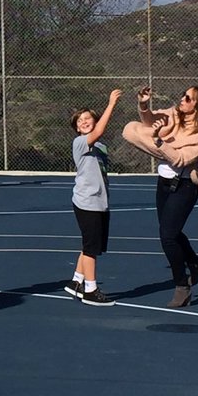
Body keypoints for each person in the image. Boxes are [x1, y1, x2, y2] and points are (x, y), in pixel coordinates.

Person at [122, 85, 198, 307]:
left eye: (188, 98)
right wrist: (144, 105)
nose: (182, 99)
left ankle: (182, 286)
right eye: (183, 95)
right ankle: (196, 264)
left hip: (184, 186)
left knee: (167, 236)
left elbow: (180, 159)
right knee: (172, 232)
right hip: (164, 183)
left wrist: (159, 142)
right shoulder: (174, 114)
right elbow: (151, 121)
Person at [65, 89, 123, 307]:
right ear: (77, 128)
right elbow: (98, 132)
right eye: (80, 121)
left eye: (88, 118)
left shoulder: (100, 147)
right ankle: (90, 290)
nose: (84, 122)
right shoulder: (80, 142)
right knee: (91, 248)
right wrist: (111, 104)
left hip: (100, 202)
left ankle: (76, 280)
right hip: (86, 201)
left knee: (90, 244)